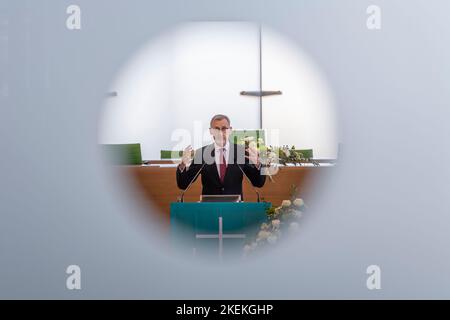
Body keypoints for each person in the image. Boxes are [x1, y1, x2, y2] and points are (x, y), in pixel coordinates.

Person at [176, 114, 266, 199]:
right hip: (210, 208)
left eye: (224, 129)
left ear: (230, 130)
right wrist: (183, 164)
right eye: (216, 129)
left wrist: (258, 164)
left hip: (235, 208)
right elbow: (183, 184)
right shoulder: (201, 153)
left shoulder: (241, 152)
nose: (220, 133)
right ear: (211, 131)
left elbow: (258, 182)